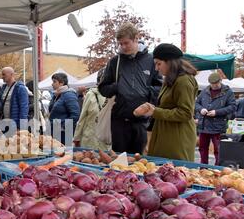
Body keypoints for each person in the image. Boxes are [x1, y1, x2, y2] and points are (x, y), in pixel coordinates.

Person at [98, 22, 162, 154]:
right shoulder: (115, 62)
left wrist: (146, 92)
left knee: (138, 161)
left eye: (126, 43)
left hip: (141, 123)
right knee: (118, 162)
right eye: (120, 43)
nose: (123, 47)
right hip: (119, 121)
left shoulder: (151, 60)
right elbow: (102, 88)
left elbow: (160, 87)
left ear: (136, 39)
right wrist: (117, 87)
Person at [133, 43, 198, 161]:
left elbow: (185, 113)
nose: (157, 68)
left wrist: (155, 111)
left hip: (177, 138)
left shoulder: (183, 81)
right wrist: (151, 108)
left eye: (159, 64)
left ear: (170, 62)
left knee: (172, 174)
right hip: (167, 134)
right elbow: (167, 106)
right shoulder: (170, 79)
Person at [195, 72, 236, 165]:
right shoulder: (204, 91)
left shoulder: (228, 92)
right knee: (202, 149)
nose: (214, 86)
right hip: (204, 125)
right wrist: (201, 109)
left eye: (216, 84)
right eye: (212, 84)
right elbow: (196, 103)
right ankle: (203, 168)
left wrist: (216, 112)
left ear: (220, 81)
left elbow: (233, 107)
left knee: (218, 150)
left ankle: (218, 169)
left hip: (218, 126)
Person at [74, 69, 109, 150]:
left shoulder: (114, 95)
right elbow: (83, 117)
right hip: (92, 139)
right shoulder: (91, 94)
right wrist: (77, 138)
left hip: (102, 140)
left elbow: (82, 118)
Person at [48, 72, 80, 144]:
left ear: (61, 83)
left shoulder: (69, 95)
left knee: (64, 152)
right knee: (57, 152)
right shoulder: (57, 95)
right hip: (56, 131)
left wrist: (63, 127)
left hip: (64, 133)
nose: (52, 84)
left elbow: (75, 114)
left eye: (54, 82)